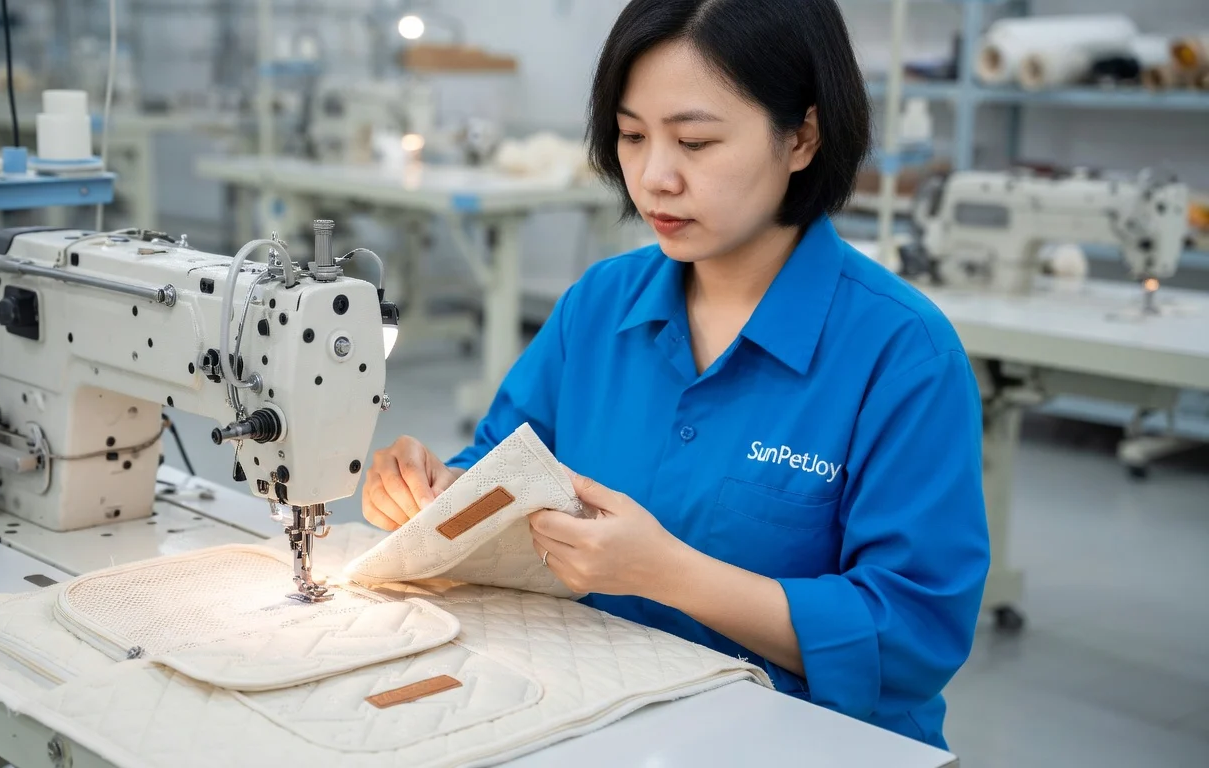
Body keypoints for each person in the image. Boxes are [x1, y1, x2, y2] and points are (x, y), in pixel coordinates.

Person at [361, 0, 989, 750]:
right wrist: (435, 496)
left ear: (803, 137)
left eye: (695, 141)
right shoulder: (599, 305)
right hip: (600, 714)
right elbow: (501, 469)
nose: (654, 177)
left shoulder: (901, 353)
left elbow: (913, 636)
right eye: (631, 136)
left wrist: (670, 574)